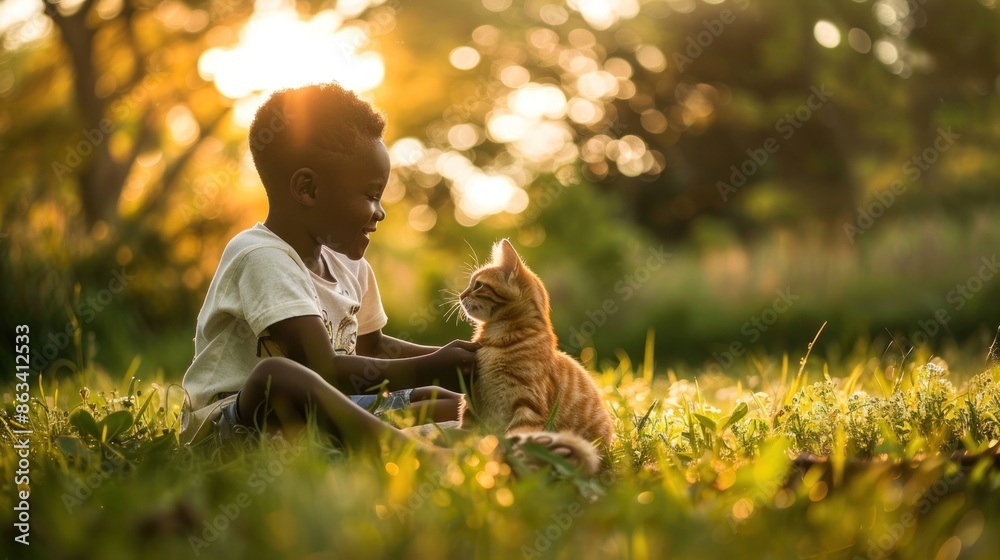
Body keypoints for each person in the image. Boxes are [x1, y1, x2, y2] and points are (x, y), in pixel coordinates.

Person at [180, 82, 479, 455]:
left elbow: (375, 348)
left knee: (444, 399)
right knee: (279, 377)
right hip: (237, 422)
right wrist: (434, 364)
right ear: (308, 189)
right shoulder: (260, 257)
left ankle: (481, 442)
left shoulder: (351, 268)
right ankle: (404, 451)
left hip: (326, 408)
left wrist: (469, 361)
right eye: (371, 195)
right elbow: (320, 369)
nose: (380, 212)